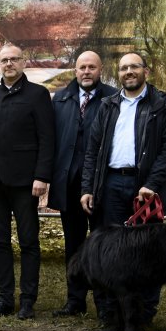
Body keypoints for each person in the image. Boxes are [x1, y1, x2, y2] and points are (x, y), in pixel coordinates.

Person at [80, 52, 166, 331]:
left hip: (144, 189)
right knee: (108, 254)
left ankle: (143, 316)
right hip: (110, 186)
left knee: (146, 254)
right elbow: (93, 151)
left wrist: (152, 184)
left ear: (145, 71)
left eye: (134, 67)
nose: (128, 72)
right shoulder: (108, 105)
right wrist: (88, 188)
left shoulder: (163, 104)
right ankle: (110, 316)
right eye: (124, 68)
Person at [0, 44, 55, 320]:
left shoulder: (38, 95)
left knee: (28, 241)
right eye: (4, 60)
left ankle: (28, 300)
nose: (8, 64)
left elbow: (47, 138)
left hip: (25, 182)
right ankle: (4, 298)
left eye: (13, 59)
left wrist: (42, 176)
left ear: (23, 62)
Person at [48, 51, 114, 317]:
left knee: (102, 244)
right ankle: (74, 300)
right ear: (75, 71)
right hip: (69, 183)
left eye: (91, 67)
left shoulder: (112, 98)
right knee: (73, 244)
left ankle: (104, 303)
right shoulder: (61, 99)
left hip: (101, 184)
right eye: (81, 67)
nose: (86, 72)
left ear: (100, 70)